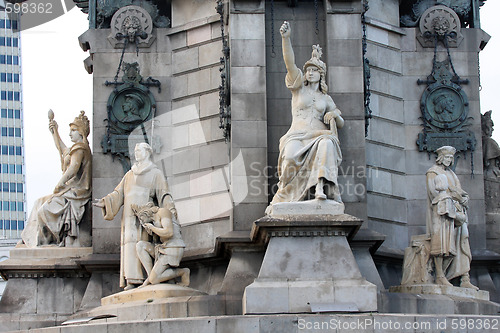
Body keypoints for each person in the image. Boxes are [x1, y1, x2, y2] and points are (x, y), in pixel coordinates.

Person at [266, 21, 344, 213]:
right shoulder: (298, 88)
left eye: (313, 70)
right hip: (297, 135)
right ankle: (286, 196)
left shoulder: (326, 98)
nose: (309, 72)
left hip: (319, 134)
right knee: (290, 158)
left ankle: (320, 189)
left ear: (321, 74)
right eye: (308, 69)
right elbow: (289, 63)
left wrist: (334, 114)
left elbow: (340, 123)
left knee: (327, 143)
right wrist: (286, 39)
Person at [94, 142, 176, 290]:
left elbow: (164, 195)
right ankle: (132, 279)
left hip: (145, 216)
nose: (136, 153)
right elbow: (118, 193)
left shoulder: (155, 173)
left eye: (139, 150)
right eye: (135, 151)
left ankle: (147, 277)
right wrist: (106, 202)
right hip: (128, 217)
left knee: (142, 243)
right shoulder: (129, 174)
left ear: (148, 152)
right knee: (129, 246)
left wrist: (170, 212)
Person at [21, 111, 92, 247]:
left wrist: (59, 184)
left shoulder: (81, 148)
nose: (70, 133)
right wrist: (55, 132)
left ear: (81, 132)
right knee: (38, 202)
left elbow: (73, 169)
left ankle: (47, 241)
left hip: (77, 192)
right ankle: (31, 240)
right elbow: (62, 149)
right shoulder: (75, 149)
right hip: (68, 190)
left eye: (73, 130)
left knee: (44, 210)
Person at [426, 145, 478, 289]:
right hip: (443, 213)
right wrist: (453, 198)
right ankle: (440, 275)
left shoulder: (451, 174)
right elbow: (434, 193)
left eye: (451, 158)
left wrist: (464, 198)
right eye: (447, 157)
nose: (449, 160)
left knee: (463, 241)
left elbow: (460, 191)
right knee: (443, 244)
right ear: (441, 157)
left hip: (458, 211)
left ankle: (464, 277)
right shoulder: (432, 172)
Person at [132, 202, 189, 287]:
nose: (141, 221)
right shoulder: (154, 220)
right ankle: (150, 276)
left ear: (146, 213)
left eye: (141, 218)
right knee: (140, 246)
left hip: (174, 247)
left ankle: (183, 272)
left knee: (154, 279)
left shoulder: (163, 212)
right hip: (164, 247)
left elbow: (169, 232)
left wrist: (152, 228)